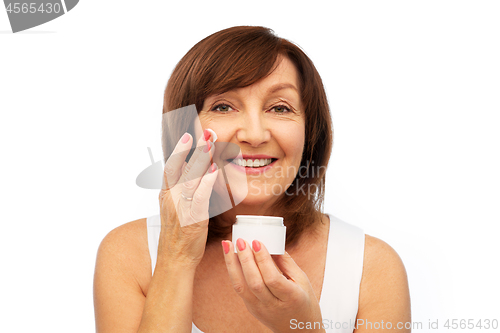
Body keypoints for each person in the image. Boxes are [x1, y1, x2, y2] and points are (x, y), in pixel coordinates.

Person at [93, 26, 411, 333]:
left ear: (309, 133)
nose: (255, 135)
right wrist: (176, 258)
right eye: (223, 106)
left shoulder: (371, 266)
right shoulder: (128, 254)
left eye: (280, 107)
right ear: (185, 129)